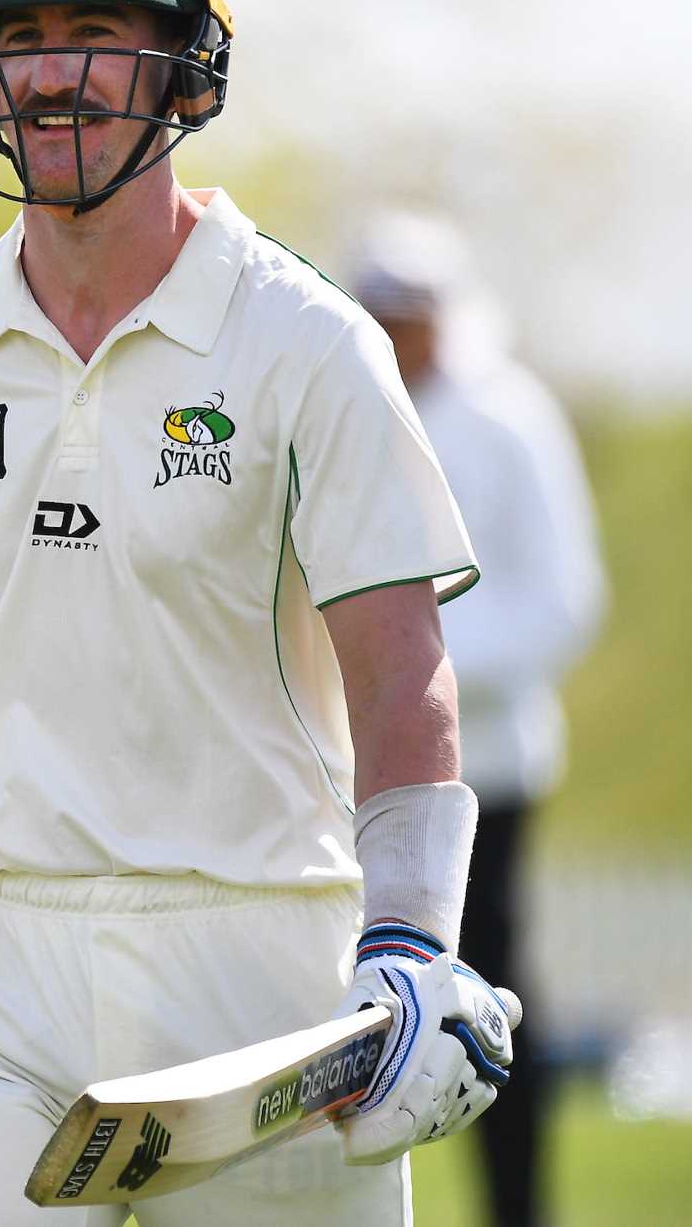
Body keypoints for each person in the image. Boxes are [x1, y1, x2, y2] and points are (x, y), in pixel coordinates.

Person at [0, 0, 518, 1226]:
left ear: (187, 65)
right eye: (19, 41)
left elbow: (399, 672)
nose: (54, 76)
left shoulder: (309, 342)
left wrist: (413, 944)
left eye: (94, 35)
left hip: (257, 962)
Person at [349, 212, 606, 1227]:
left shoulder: (509, 417)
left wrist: (421, 671)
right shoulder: (340, 399)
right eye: (380, 313)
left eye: (409, 313)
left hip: (485, 769)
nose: (397, 331)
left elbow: (560, 600)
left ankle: (515, 1210)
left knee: (488, 1003)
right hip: (348, 769)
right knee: (351, 1007)